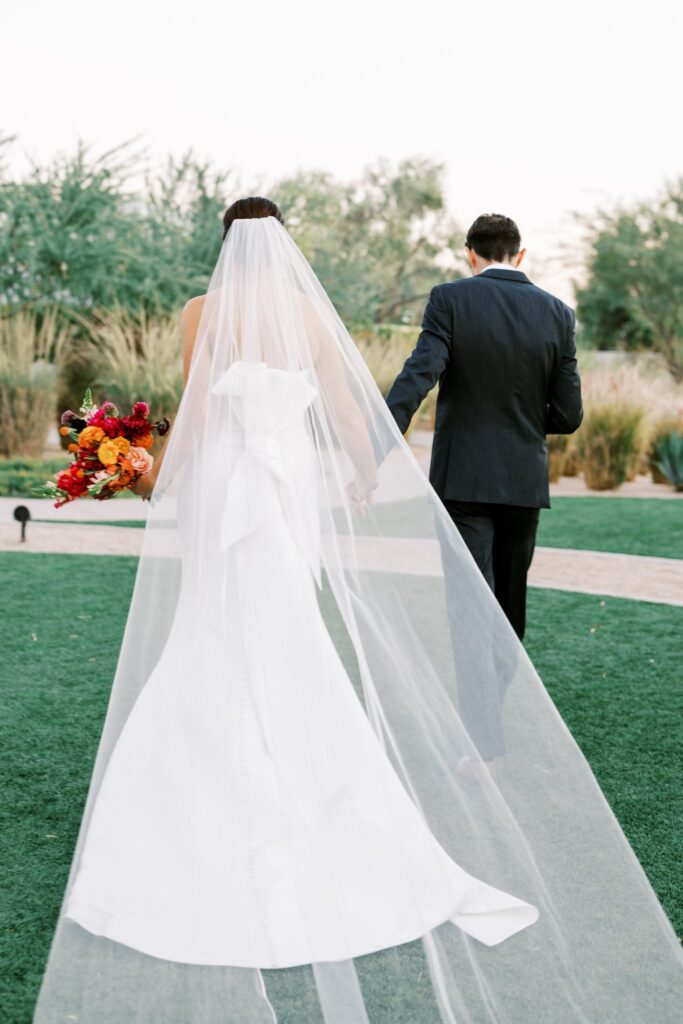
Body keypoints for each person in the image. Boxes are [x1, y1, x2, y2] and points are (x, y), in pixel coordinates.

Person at [33, 201, 683, 1024]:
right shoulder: (308, 314)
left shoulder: (202, 312)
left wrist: (155, 479)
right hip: (287, 490)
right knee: (288, 629)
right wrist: (362, 469)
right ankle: (316, 787)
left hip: (228, 482)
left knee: (216, 626)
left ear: (227, 244)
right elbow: (344, 408)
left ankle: (202, 803)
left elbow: (194, 412)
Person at [386, 213, 583, 643]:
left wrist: (377, 437)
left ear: (469, 254)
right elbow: (569, 416)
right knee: (510, 608)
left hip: (463, 480)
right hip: (523, 482)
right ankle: (504, 705)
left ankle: (477, 709)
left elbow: (420, 374)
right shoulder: (559, 314)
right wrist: (524, 420)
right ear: (520, 254)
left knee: (469, 603)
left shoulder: (449, 300)